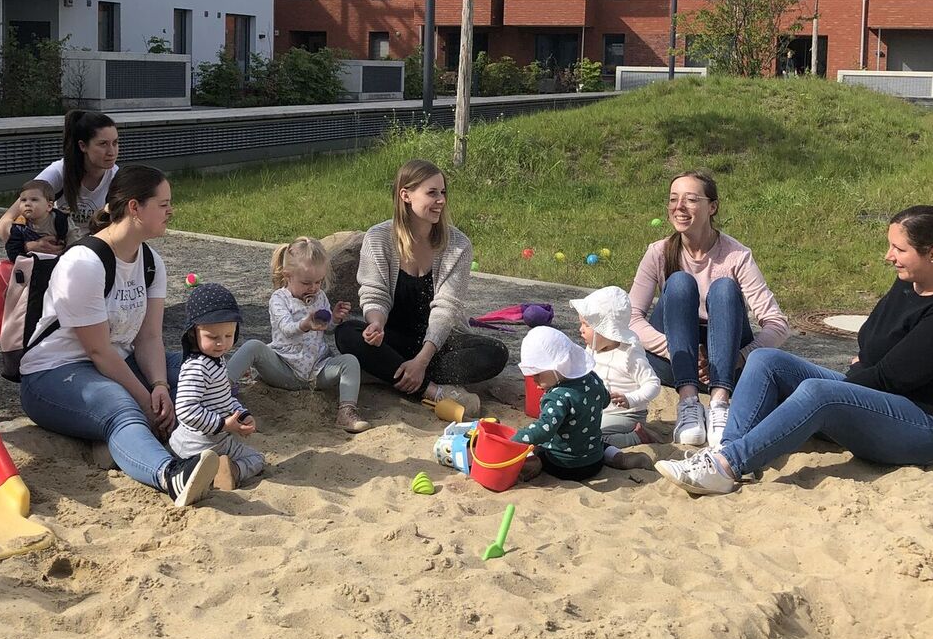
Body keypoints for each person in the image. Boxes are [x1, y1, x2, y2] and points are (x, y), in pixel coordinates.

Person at [657, 205, 933, 496]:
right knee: (766, 360)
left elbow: (890, 377)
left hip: (928, 426)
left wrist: (860, 373)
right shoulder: (908, 283)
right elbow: (869, 339)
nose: (889, 256)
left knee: (818, 393)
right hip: (881, 397)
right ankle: (728, 448)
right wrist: (867, 365)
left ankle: (727, 467)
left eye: (900, 249)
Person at [18, 165, 216, 507]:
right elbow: (98, 352)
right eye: (163, 203)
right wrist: (145, 398)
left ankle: (207, 435)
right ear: (135, 208)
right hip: (54, 372)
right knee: (122, 406)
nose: (171, 211)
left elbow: (150, 337)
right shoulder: (84, 263)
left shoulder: (151, 262)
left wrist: (159, 387)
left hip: (117, 360)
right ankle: (171, 474)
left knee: (202, 370)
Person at [334, 158, 508, 419]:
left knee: (495, 353)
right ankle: (433, 391)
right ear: (405, 195)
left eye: (443, 192)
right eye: (432, 192)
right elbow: (374, 293)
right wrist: (376, 324)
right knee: (347, 332)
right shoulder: (378, 237)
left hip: (439, 342)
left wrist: (422, 360)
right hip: (394, 336)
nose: (441, 200)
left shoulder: (458, 245)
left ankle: (390, 372)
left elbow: (446, 309)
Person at [629, 169, 788, 451]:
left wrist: (737, 357)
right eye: (673, 199)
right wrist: (680, 350)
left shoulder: (737, 255)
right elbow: (629, 318)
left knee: (725, 288)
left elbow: (777, 324)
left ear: (712, 206)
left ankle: (719, 403)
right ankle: (688, 402)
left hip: (726, 361)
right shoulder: (658, 252)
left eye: (690, 200)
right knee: (679, 283)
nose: (679, 207)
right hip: (675, 360)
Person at [225, 236, 368, 434]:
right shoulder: (279, 299)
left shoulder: (320, 297)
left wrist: (334, 318)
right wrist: (305, 324)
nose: (314, 288)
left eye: (318, 282)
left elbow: (326, 328)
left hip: (316, 370)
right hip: (284, 368)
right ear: (287, 276)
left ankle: (346, 411)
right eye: (307, 283)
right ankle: (221, 389)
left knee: (350, 362)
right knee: (253, 346)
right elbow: (286, 328)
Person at [515, 325, 651, 479]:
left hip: (563, 466)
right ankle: (619, 457)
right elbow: (605, 400)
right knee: (600, 444)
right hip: (595, 460)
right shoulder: (592, 379)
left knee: (535, 448)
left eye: (537, 374)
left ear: (557, 368)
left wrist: (515, 439)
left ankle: (534, 464)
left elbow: (543, 431)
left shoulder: (557, 397)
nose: (533, 379)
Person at [170, 282, 265, 491]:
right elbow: (186, 410)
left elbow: (223, 398)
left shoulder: (216, 360)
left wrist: (241, 415)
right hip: (201, 443)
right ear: (194, 333)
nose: (221, 343)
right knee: (257, 459)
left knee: (256, 457)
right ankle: (230, 472)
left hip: (208, 441)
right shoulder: (197, 367)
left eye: (228, 336)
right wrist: (223, 424)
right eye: (213, 337)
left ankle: (217, 472)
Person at [0, 110, 119, 244]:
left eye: (115, 143)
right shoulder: (59, 172)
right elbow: (2, 225)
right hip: (57, 251)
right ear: (83, 146)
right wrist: (28, 246)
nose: (112, 152)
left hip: (94, 251)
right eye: (103, 144)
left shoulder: (117, 179)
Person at [572, 285, 662, 445]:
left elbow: (653, 383)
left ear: (605, 328)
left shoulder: (629, 355)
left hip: (627, 414)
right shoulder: (591, 348)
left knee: (592, 436)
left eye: (586, 324)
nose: (581, 329)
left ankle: (636, 437)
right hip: (600, 411)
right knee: (576, 429)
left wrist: (631, 399)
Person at [4, 179, 69, 262]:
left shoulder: (61, 220)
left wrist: (67, 253)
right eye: (23, 200)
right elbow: (13, 252)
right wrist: (26, 248)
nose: (27, 204)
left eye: (34, 199)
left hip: (60, 262)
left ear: (49, 206)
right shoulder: (19, 225)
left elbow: (75, 241)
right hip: (32, 266)